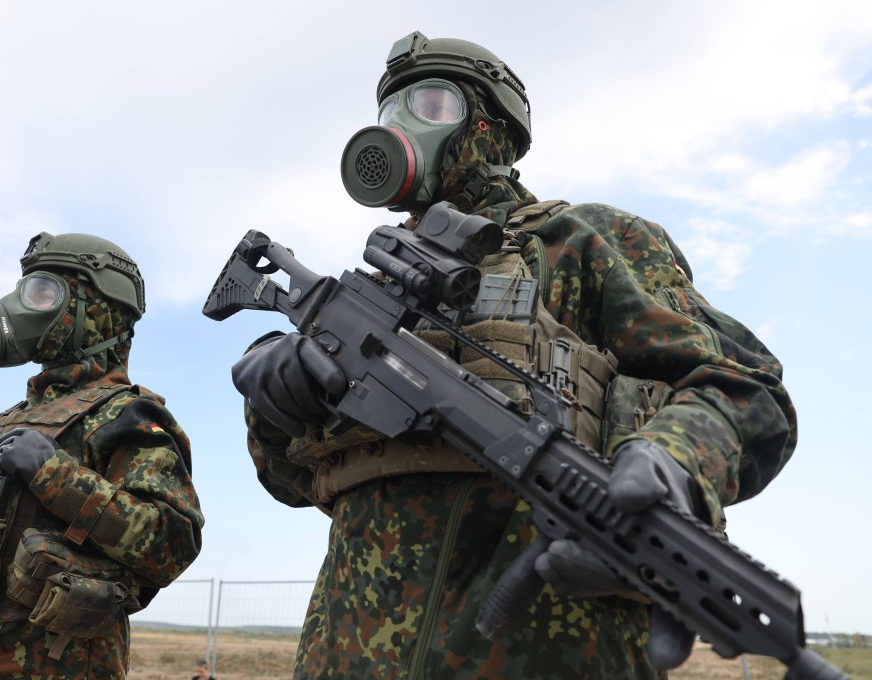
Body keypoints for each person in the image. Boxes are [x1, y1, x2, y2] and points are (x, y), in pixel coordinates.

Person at [231, 31, 797, 679]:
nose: (400, 129)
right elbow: (294, 482)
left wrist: (674, 461)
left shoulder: (583, 243)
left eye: (432, 105)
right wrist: (276, 409)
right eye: (389, 114)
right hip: (346, 656)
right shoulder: (377, 295)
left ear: (490, 128)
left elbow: (741, 388)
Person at [0, 232, 204, 679]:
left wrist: (55, 476)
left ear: (98, 310)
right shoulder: (7, 421)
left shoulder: (126, 414)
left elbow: (171, 542)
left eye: (41, 292)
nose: (18, 306)